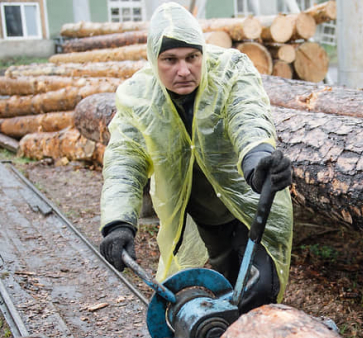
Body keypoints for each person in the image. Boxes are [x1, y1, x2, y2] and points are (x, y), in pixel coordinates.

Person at [98, 2, 293, 313]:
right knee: (224, 283)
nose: (184, 70)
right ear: (153, 59)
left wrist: (257, 158)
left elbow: (248, 114)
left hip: (251, 200)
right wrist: (118, 223)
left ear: (203, 52)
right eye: (170, 60)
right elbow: (125, 162)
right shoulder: (139, 98)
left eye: (192, 57)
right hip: (203, 213)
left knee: (258, 288)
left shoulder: (229, 71)